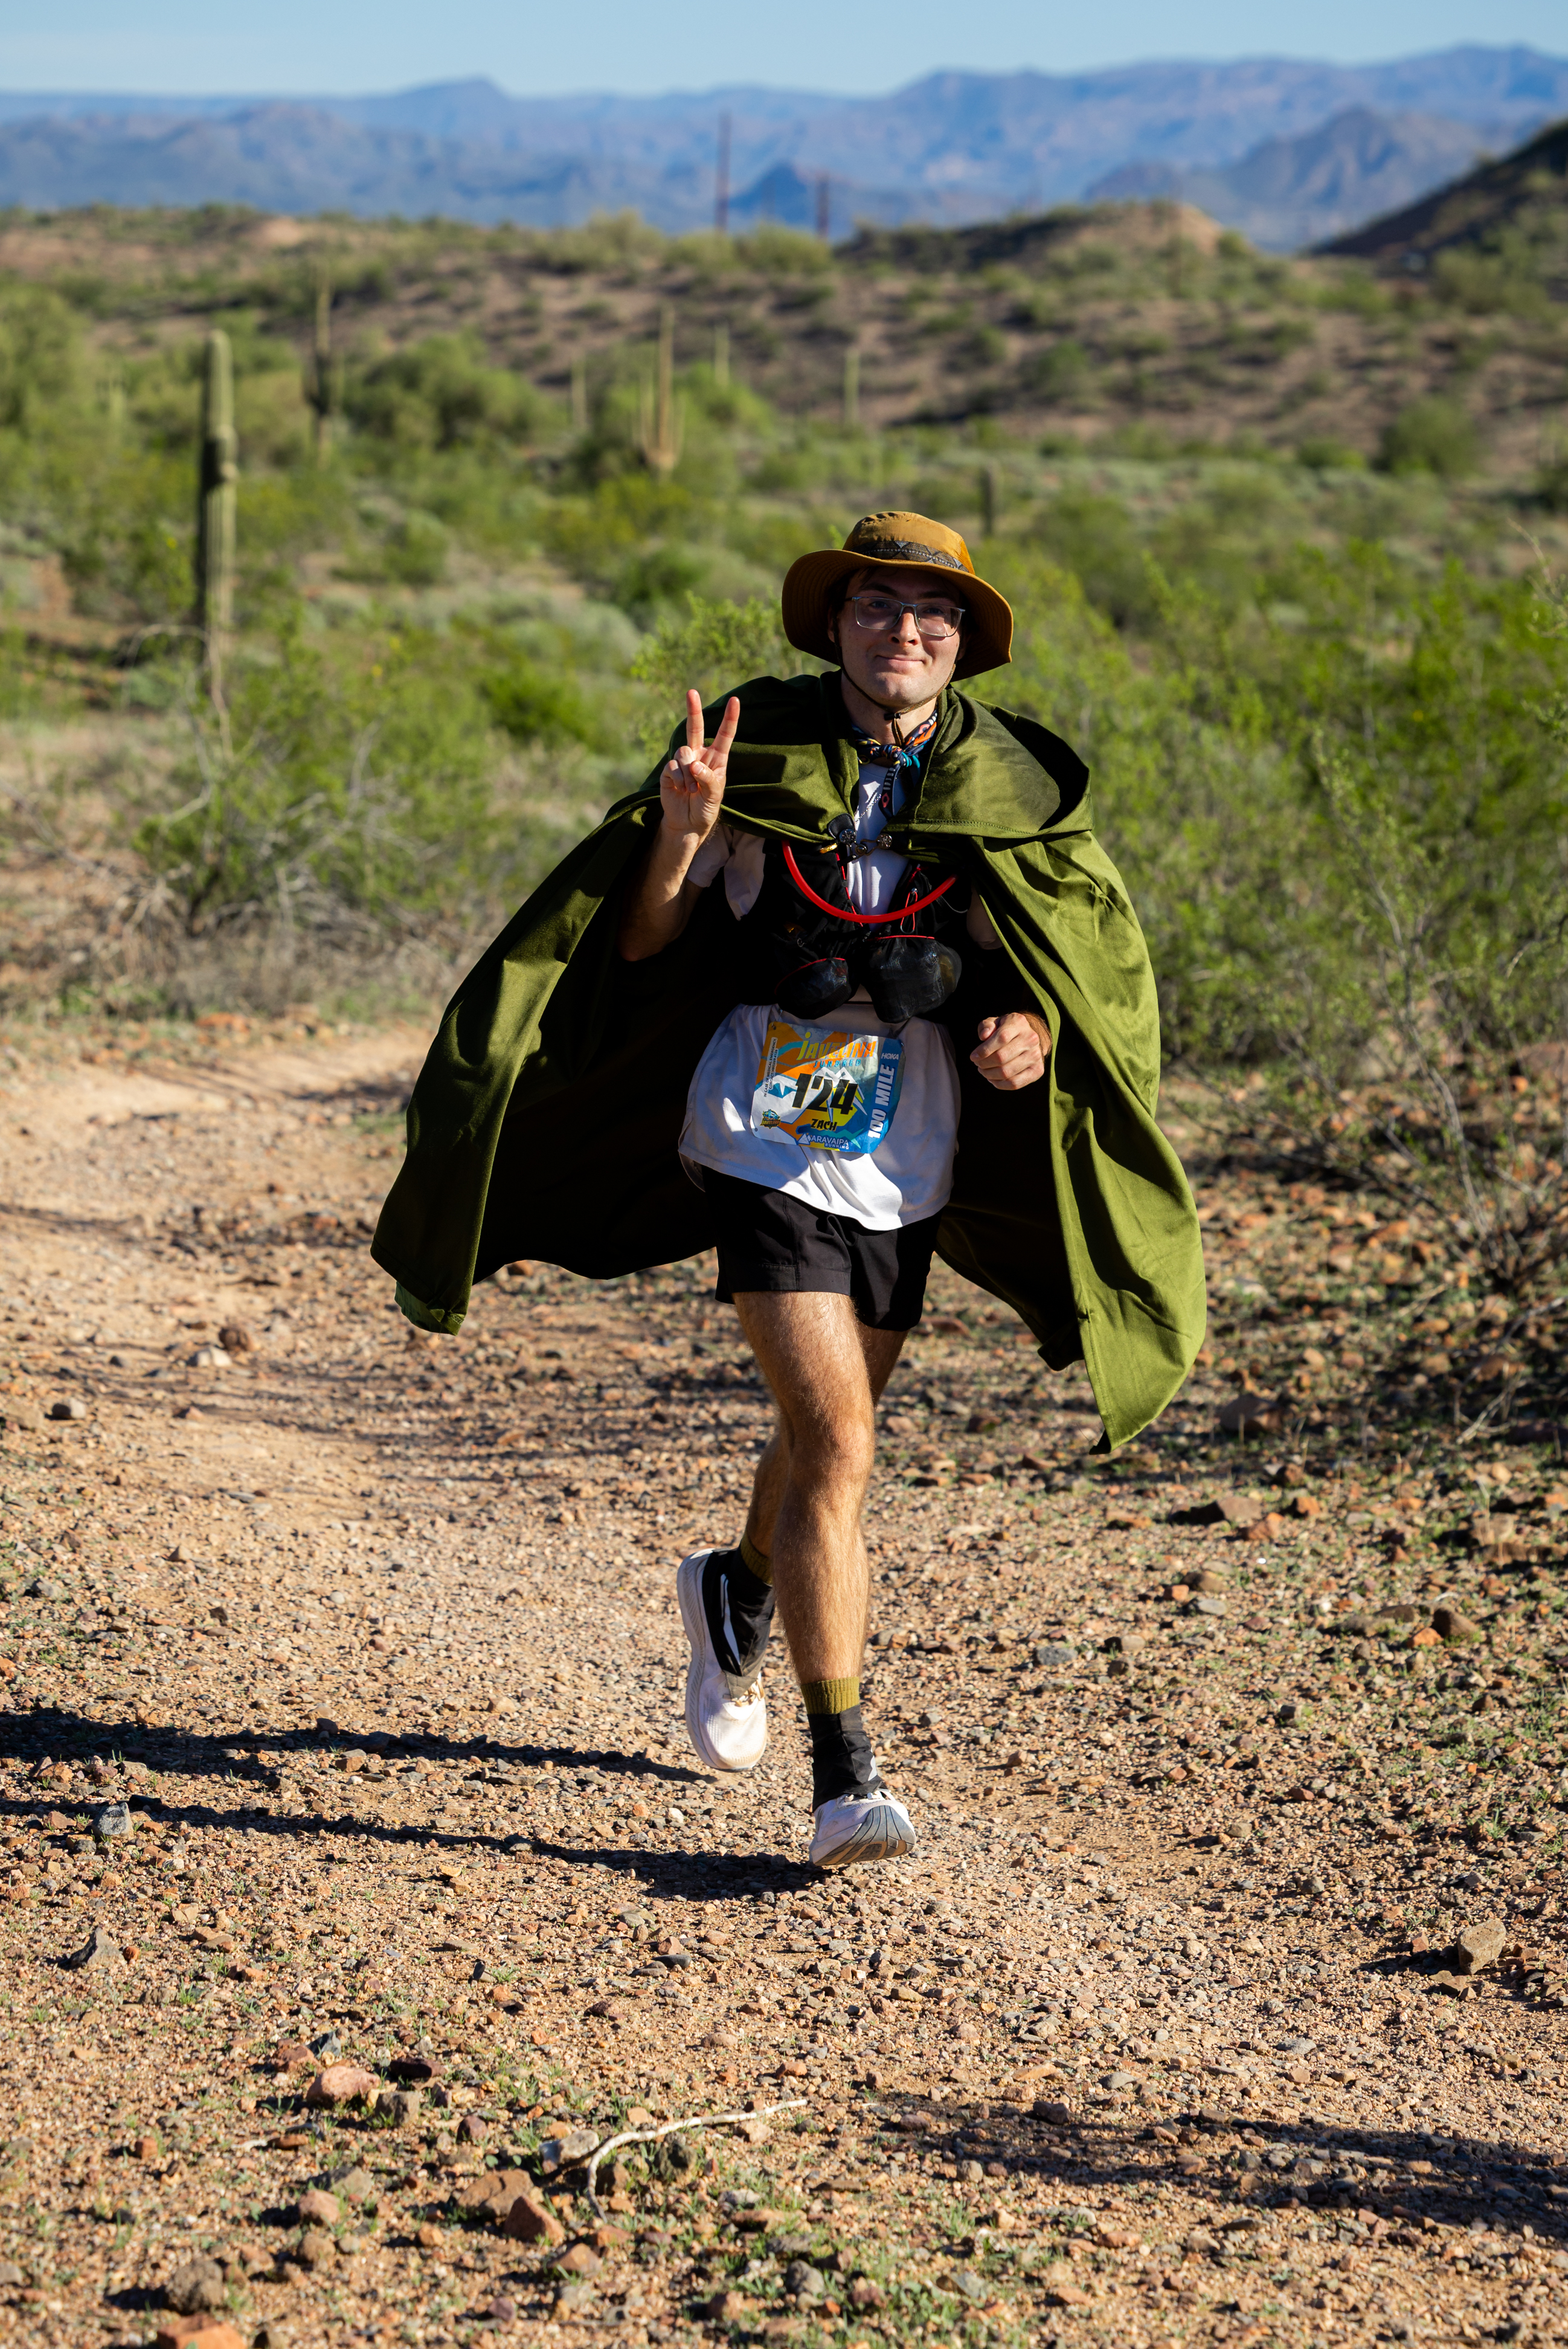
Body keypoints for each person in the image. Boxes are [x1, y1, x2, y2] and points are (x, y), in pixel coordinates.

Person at [373, 511, 1204, 1870]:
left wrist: (1030, 1036)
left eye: (932, 613)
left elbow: (1066, 976)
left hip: (908, 1148)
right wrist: (681, 832)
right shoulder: (748, 750)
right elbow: (642, 941)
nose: (906, 632)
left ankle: (737, 1585)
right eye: (878, 605)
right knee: (841, 1443)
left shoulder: (1009, 790)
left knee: (830, 1436)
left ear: (963, 642)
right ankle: (843, 1770)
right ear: (834, 623)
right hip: (758, 1124)